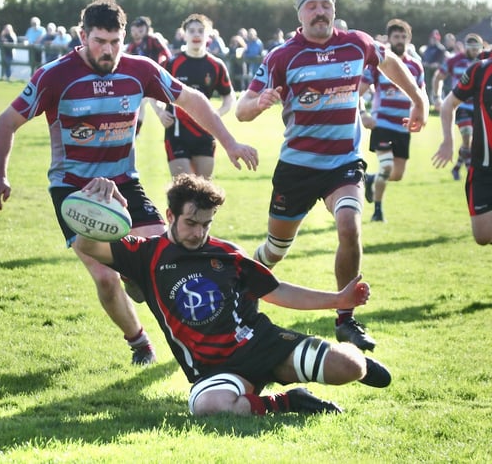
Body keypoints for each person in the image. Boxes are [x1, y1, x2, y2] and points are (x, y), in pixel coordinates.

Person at [0, 0, 259, 366]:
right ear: (83, 36)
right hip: (75, 189)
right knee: (105, 278)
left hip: (125, 183)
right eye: (100, 41)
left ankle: (200, 343)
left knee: (164, 262)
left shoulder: (139, 70)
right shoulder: (55, 76)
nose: (108, 50)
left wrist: (229, 142)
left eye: (115, 42)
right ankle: (139, 342)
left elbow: (191, 99)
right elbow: (7, 122)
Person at [73, 174, 391, 416]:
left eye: (206, 224)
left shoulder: (227, 254)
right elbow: (85, 246)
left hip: (261, 343)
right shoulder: (144, 255)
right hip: (214, 370)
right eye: (191, 223)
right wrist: (96, 205)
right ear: (169, 217)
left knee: (348, 368)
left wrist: (337, 300)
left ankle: (356, 360)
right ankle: (290, 401)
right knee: (207, 406)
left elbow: (275, 290)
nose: (198, 232)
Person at [235, 0, 428, 352]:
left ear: (333, 9)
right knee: (275, 249)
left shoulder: (357, 44)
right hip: (297, 168)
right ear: (300, 13)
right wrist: (257, 105)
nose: (320, 12)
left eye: (325, 5)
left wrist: (418, 99)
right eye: (312, 5)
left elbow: (390, 64)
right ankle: (242, 290)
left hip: (343, 164)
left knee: (349, 226)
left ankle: (346, 319)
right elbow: (242, 110)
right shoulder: (282, 56)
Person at [360, 19, 425, 223]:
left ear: (409, 39)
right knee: (386, 167)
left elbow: (422, 94)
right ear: (388, 39)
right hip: (382, 124)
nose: (400, 40)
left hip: (404, 126)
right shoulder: (378, 63)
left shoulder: (415, 66)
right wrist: (363, 114)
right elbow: (356, 92)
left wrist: (422, 112)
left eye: (403, 37)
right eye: (396, 37)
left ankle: (369, 179)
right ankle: (378, 212)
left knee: (396, 174)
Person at [156, 14, 235, 179]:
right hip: (177, 133)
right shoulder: (172, 64)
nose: (196, 35)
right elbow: (151, 91)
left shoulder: (216, 65)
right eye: (191, 31)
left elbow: (229, 97)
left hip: (205, 134)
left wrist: (216, 115)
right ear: (184, 34)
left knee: (204, 193)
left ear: (209, 35)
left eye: (201, 31)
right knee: (183, 192)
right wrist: (160, 112)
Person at [433, 56, 492, 245]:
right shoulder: (480, 70)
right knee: (482, 236)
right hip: (483, 166)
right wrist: (448, 141)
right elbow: (448, 104)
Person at [431, 33, 484, 180]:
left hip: (479, 108)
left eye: (477, 49)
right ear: (465, 47)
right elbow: (438, 77)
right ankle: (470, 172)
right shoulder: (454, 60)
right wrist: (437, 97)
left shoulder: (483, 62)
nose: (474, 52)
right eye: (471, 48)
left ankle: (456, 167)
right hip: (460, 106)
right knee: (467, 134)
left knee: (473, 143)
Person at [125, 15, 172, 135]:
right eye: (134, 31)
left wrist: (161, 68)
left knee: (152, 102)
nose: (137, 33)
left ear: (147, 29)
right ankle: (136, 133)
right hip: (140, 81)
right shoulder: (132, 46)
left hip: (155, 77)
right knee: (140, 105)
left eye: (140, 30)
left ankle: (167, 119)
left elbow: (167, 55)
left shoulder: (153, 40)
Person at [421, 29, 447, 99]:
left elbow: (441, 61)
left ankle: (437, 99)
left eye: (434, 38)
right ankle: (428, 99)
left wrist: (437, 64)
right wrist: (424, 63)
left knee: (436, 85)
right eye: (432, 38)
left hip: (436, 70)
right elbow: (424, 58)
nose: (433, 40)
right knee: (427, 85)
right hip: (427, 69)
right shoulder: (427, 48)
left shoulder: (441, 48)